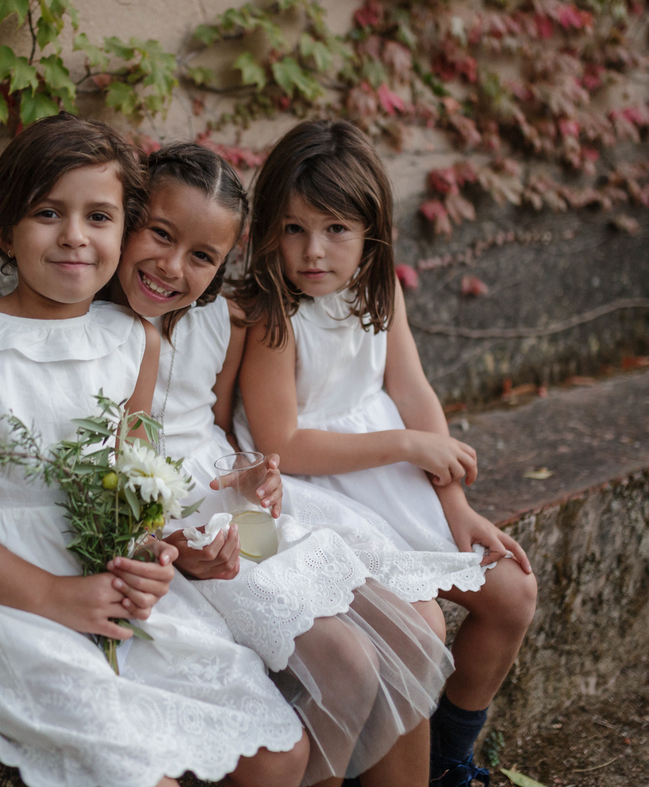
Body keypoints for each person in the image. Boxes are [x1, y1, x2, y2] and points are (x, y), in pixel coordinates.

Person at [0, 114, 309, 787]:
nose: (75, 236)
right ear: (6, 230)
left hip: (105, 575)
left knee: (280, 752)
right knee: (138, 775)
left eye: (99, 217)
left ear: (123, 229)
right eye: (48, 212)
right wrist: (53, 595)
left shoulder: (136, 340)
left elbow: (132, 495)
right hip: (5, 589)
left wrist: (167, 553)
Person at [106, 142, 491, 787]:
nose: (174, 267)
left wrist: (253, 476)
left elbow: (220, 434)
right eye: (162, 235)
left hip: (225, 499)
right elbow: (130, 462)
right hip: (165, 513)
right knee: (351, 657)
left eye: (202, 255)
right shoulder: (115, 335)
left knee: (417, 624)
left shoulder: (222, 321)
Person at [233, 120, 538, 787]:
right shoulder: (272, 315)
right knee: (415, 626)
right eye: (293, 229)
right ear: (268, 229)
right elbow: (283, 443)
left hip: (386, 477)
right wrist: (403, 444)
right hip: (310, 488)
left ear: (372, 232)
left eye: (336, 229)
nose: (314, 251)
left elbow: (411, 391)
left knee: (514, 592)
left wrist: (455, 505)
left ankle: (450, 758)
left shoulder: (379, 288)